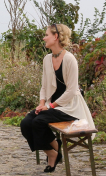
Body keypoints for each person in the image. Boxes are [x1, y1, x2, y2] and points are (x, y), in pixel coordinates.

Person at [20, 24, 96, 173]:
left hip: (69, 107)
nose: (44, 37)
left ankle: (53, 155)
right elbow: (44, 86)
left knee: (38, 122)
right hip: (51, 106)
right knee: (26, 123)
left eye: (46, 34)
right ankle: (54, 152)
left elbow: (72, 91)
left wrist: (50, 106)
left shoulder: (70, 59)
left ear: (56, 37)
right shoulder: (47, 59)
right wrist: (42, 104)